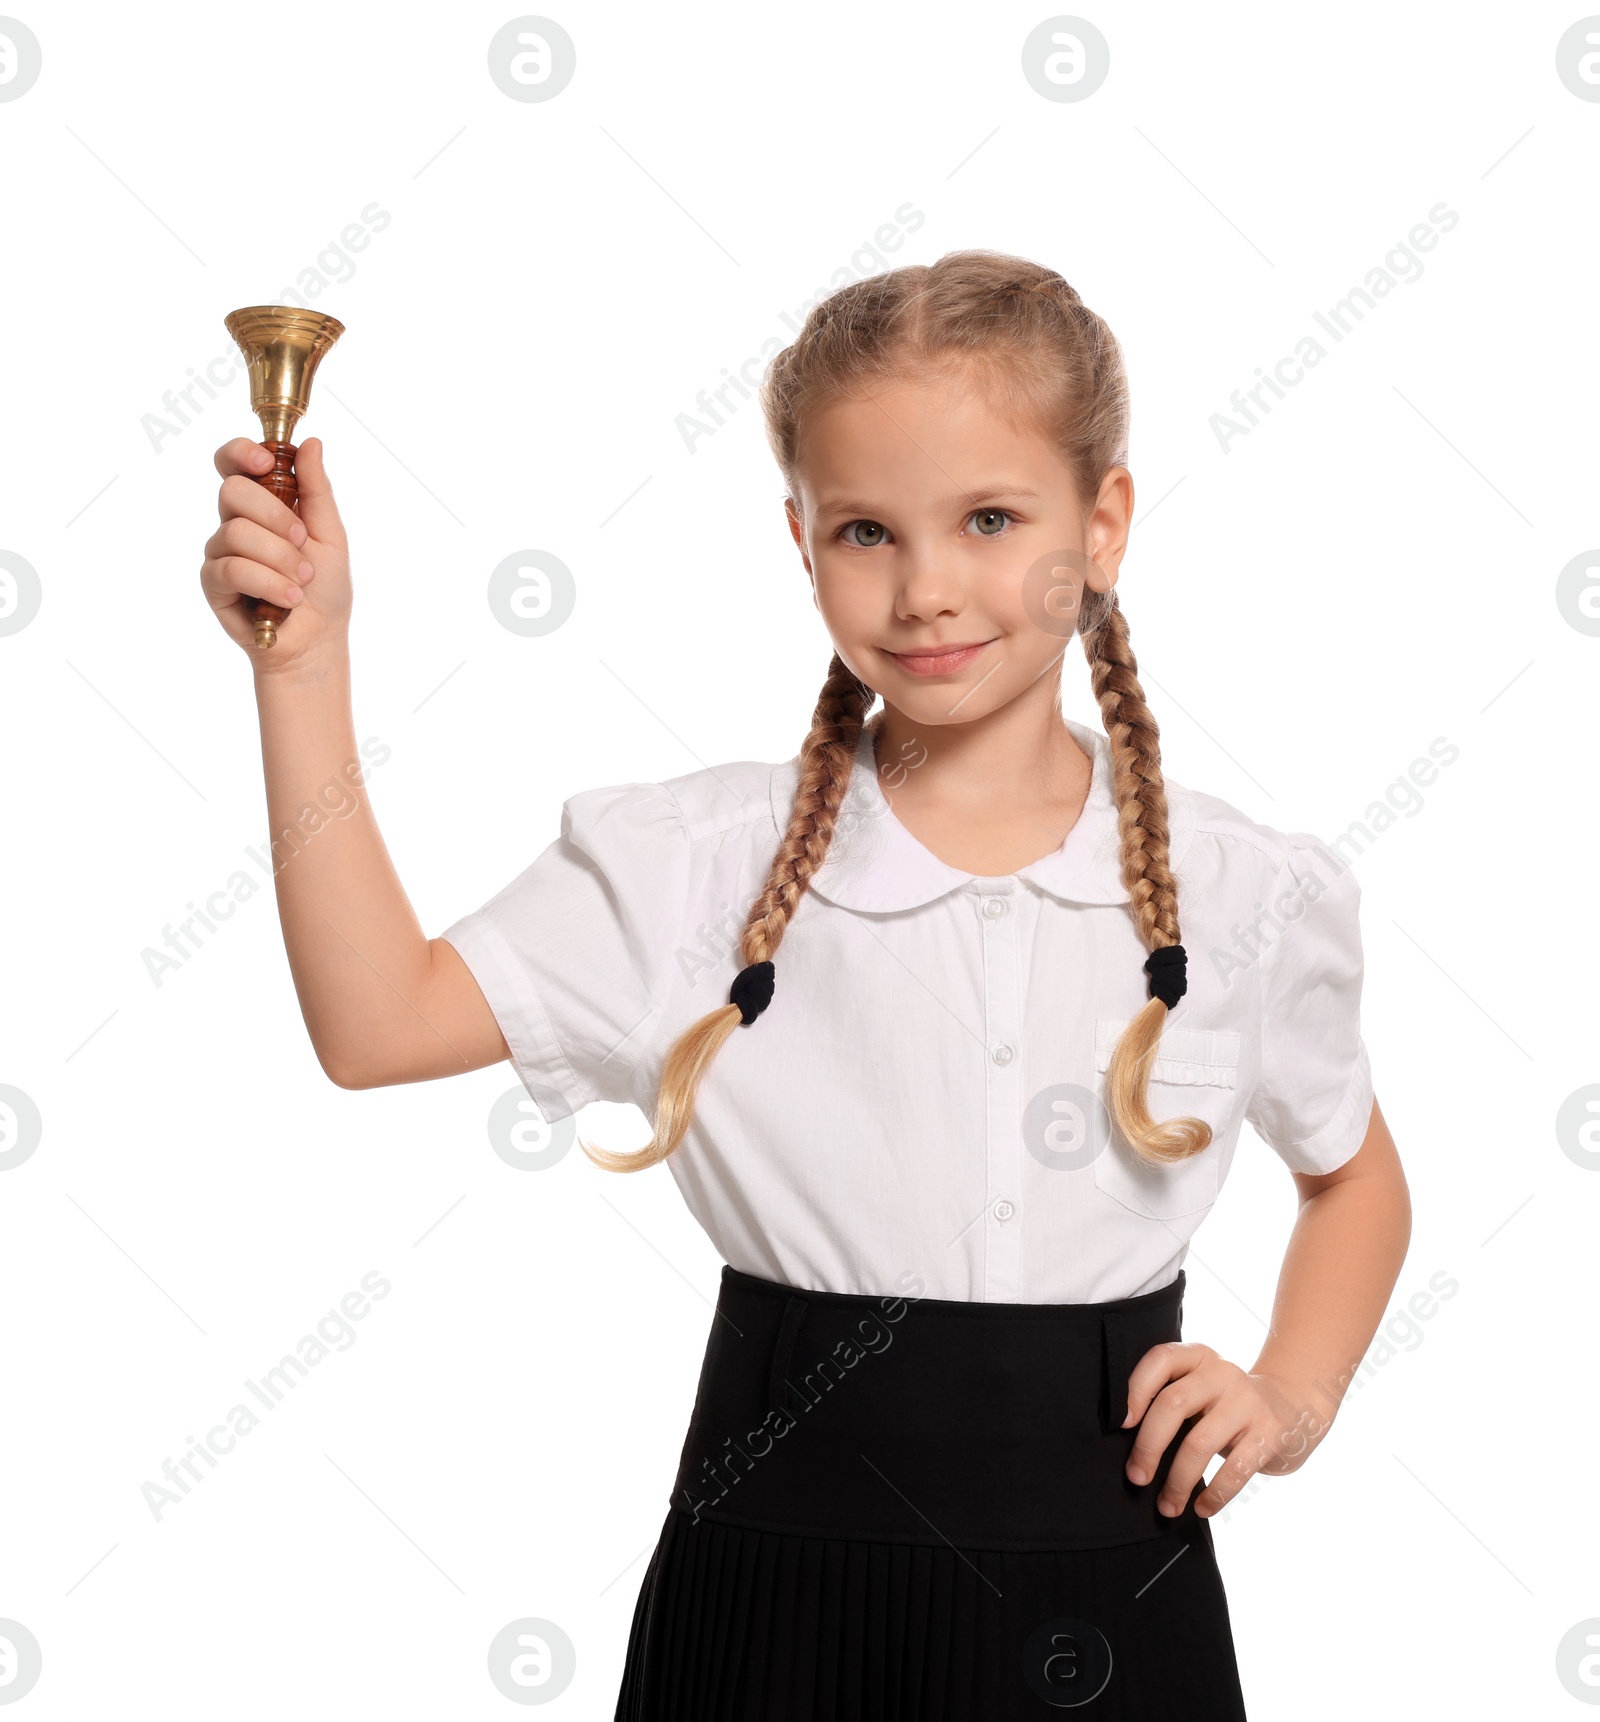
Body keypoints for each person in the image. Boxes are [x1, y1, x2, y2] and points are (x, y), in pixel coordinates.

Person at [200, 250, 1412, 1720]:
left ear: (1102, 526)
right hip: (771, 1595)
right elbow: (375, 1021)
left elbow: (1353, 1175)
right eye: (864, 530)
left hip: (1114, 1584)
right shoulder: (695, 866)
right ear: (799, 540)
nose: (925, 588)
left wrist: (1293, 1391)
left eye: (988, 518)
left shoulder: (1245, 890)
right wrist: (303, 670)